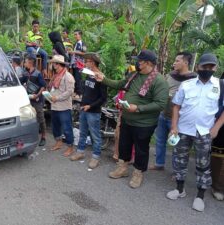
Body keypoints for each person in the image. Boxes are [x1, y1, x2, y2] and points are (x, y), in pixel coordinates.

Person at [94, 50, 169, 188]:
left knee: (141, 149)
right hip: (127, 119)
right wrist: (103, 79)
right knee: (124, 145)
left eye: (140, 61)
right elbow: (120, 84)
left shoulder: (159, 81)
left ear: (148, 63)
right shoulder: (134, 74)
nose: (137, 62)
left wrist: (138, 108)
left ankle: (138, 173)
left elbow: (160, 104)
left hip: (144, 123)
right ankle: (122, 168)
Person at [166, 53, 221, 212]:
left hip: (204, 132)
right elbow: (176, 105)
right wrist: (174, 127)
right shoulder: (187, 85)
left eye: (211, 67)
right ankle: (180, 189)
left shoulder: (220, 85)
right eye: (205, 67)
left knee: (203, 165)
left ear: (215, 68)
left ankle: (200, 196)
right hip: (183, 130)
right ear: (198, 67)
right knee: (179, 160)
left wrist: (216, 128)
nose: (208, 69)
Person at [149, 52, 197, 170]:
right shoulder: (170, 75)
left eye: (177, 61)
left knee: (178, 145)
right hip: (163, 114)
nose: (174, 63)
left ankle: (177, 171)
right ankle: (159, 164)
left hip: (178, 119)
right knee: (160, 141)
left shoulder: (194, 79)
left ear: (185, 63)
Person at [70, 53, 107, 169]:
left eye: (87, 61)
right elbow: (87, 91)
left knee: (95, 135)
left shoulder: (100, 77)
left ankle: (95, 157)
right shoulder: (88, 74)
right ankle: (80, 152)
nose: (85, 63)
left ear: (93, 62)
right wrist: (82, 101)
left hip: (93, 111)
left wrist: (90, 106)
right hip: (83, 109)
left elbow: (103, 98)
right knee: (83, 132)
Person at [48, 55, 75, 157]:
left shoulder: (68, 76)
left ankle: (70, 147)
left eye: (54, 63)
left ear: (58, 64)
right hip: (55, 106)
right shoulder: (56, 75)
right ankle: (58, 142)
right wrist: (49, 96)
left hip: (64, 107)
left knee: (67, 128)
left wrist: (57, 98)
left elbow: (69, 92)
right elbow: (53, 89)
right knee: (55, 127)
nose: (53, 65)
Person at [19, 55, 47, 146]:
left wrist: (37, 95)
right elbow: (20, 81)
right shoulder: (25, 73)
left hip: (37, 100)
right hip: (28, 99)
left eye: (26, 62)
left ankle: (43, 137)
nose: (24, 63)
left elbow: (43, 86)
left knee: (40, 117)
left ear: (30, 63)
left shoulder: (38, 74)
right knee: (27, 117)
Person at [68, 29, 87, 99]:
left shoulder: (83, 43)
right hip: (74, 63)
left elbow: (84, 53)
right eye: (74, 34)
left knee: (78, 78)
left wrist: (74, 52)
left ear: (80, 35)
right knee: (74, 78)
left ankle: (79, 93)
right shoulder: (75, 43)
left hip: (79, 64)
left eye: (76, 34)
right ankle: (75, 92)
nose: (75, 36)